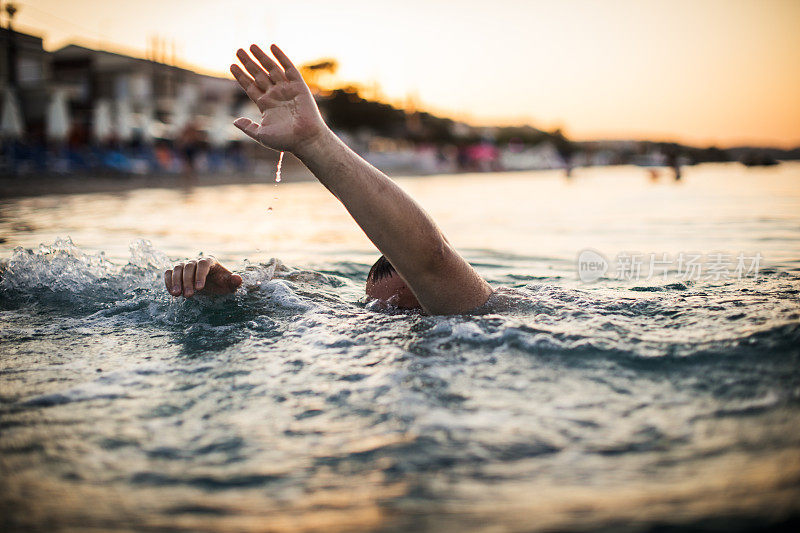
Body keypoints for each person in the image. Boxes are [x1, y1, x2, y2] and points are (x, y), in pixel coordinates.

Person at [164, 44, 493, 315]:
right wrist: (223, 293)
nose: (389, 322)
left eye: (415, 310)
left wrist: (314, 142)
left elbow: (431, 259)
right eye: (379, 310)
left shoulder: (489, 309)